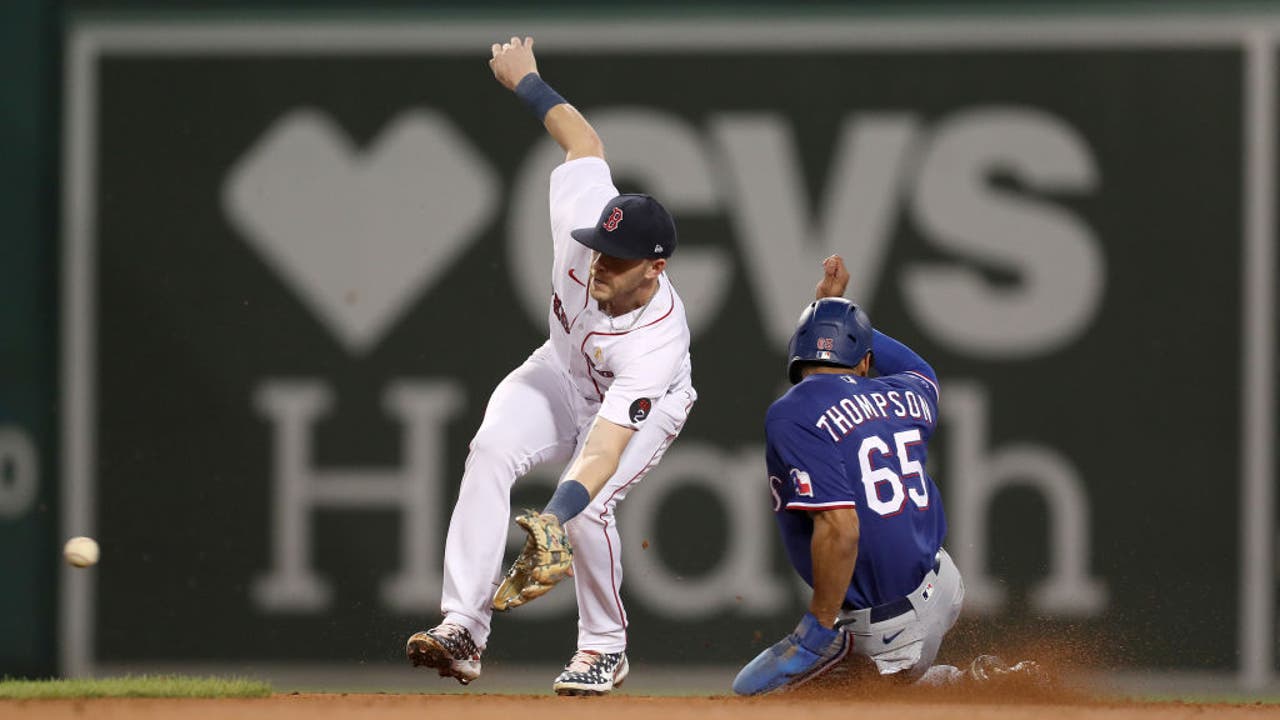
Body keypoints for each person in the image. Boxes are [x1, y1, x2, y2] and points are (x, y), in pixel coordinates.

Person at [406, 36, 696, 697]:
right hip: (560, 372)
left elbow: (603, 451)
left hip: (634, 406)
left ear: (656, 267)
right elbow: (584, 144)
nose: (600, 261)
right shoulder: (581, 223)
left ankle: (604, 649)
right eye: (601, 247)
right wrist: (529, 82)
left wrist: (555, 515)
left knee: (590, 508)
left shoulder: (658, 343)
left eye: (618, 258)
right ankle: (462, 630)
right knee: (489, 450)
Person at [732, 256, 1037, 694]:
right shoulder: (905, 389)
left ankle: (905, 676)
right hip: (942, 583)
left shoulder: (793, 411)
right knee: (886, 693)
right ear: (863, 361)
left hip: (886, 628)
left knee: (756, 697)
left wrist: (816, 629)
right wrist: (842, 315)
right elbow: (918, 368)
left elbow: (841, 529)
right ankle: (973, 685)